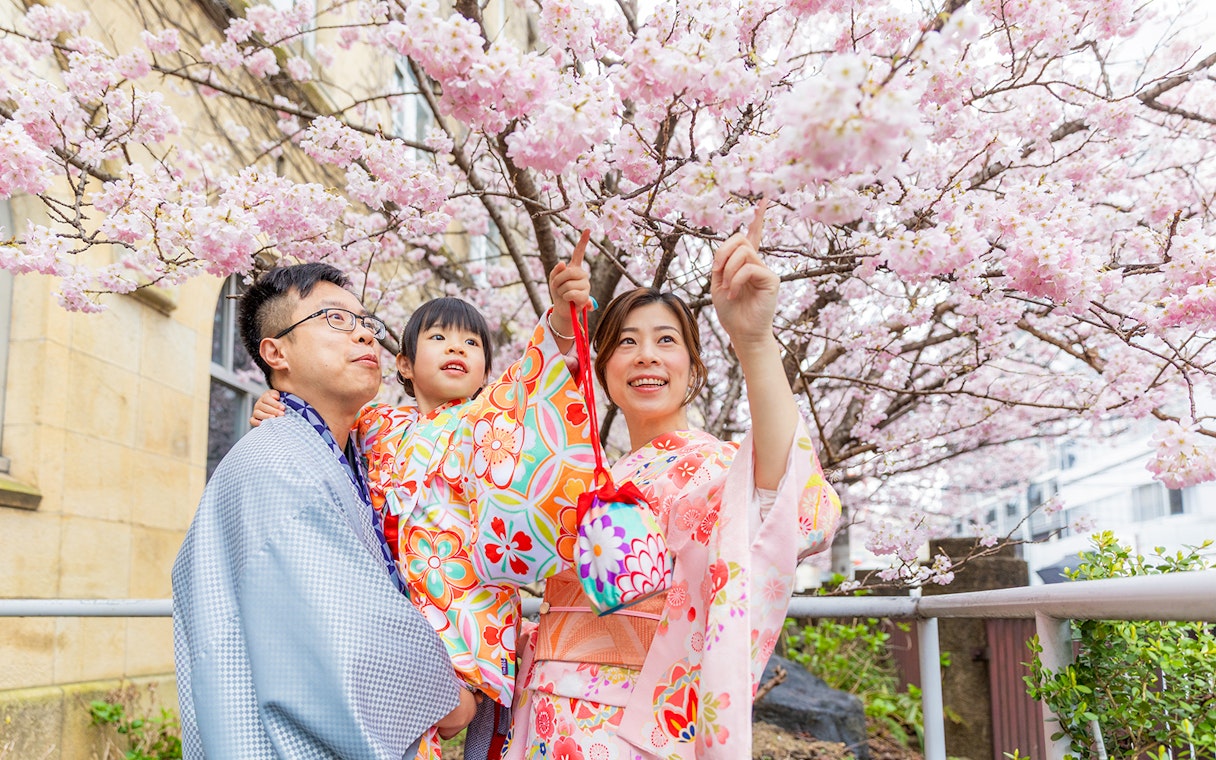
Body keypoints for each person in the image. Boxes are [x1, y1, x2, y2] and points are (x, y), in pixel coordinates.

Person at [506, 203, 843, 759]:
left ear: (693, 367)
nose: (646, 356)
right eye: (626, 342)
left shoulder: (714, 467)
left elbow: (789, 502)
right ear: (603, 367)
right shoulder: (590, 476)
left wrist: (754, 341)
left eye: (666, 341)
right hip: (545, 712)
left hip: (631, 725)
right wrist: (561, 329)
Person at [251, 242, 596, 759]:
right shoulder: (376, 423)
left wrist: (563, 320)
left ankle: (461, 698)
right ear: (405, 365)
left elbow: (535, 379)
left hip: (466, 597)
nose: (457, 349)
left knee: (450, 710)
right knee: (400, 733)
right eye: (439, 338)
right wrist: (275, 402)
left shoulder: (489, 417)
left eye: (472, 343)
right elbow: (321, 415)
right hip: (397, 600)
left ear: (486, 371)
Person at [172, 263, 476, 759]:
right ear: (276, 352)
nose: (364, 334)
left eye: (365, 322)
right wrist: (447, 699)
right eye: (335, 318)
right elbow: (345, 624)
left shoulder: (354, 451)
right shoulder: (276, 461)